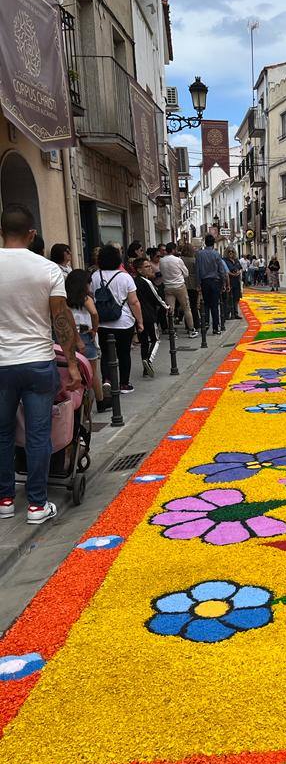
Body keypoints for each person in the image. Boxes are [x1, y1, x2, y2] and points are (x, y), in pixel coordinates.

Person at [0, 205, 80, 525]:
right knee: (37, 434)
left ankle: (5, 499)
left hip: (1, 364)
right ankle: (36, 504)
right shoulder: (47, 269)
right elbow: (61, 320)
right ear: (32, 234)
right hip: (37, 361)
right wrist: (72, 364)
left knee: (2, 434)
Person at [95, 245, 143, 394]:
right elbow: (134, 302)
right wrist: (139, 321)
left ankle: (107, 380)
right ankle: (124, 384)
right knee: (123, 353)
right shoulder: (125, 277)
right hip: (123, 321)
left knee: (106, 353)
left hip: (102, 321)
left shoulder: (95, 276)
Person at [65, 269, 105, 409]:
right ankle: (100, 401)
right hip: (84, 334)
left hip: (66, 336)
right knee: (92, 373)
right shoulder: (85, 298)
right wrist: (94, 329)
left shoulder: (64, 298)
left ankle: (75, 404)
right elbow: (94, 313)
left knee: (71, 372)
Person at [134, 256, 168, 377]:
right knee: (155, 339)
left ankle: (145, 369)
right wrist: (166, 307)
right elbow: (156, 297)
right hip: (149, 315)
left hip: (138, 316)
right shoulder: (146, 282)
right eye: (147, 267)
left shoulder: (134, 282)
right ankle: (148, 360)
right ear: (139, 270)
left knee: (144, 342)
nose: (150, 269)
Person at [158, 241, 197, 337]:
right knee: (187, 308)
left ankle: (172, 331)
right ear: (173, 250)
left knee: (170, 310)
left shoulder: (161, 260)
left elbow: (162, 272)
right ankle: (191, 330)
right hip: (179, 286)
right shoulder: (178, 260)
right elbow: (186, 273)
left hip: (167, 287)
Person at [195, 235, 230, 334]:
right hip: (215, 282)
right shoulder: (216, 254)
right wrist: (223, 283)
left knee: (206, 304)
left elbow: (197, 270)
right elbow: (221, 270)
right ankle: (215, 328)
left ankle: (205, 323)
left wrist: (198, 284)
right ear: (213, 243)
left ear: (205, 242)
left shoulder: (199, 254)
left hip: (204, 282)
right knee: (215, 305)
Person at [180, 243, 201, 331]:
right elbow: (197, 272)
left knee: (186, 305)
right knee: (193, 305)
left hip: (183, 282)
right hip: (193, 282)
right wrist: (198, 284)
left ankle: (187, 324)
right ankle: (195, 323)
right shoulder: (194, 260)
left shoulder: (181, 260)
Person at [224, 248, 242, 319]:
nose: (231, 253)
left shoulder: (236, 260)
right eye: (229, 252)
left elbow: (240, 268)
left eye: (232, 252)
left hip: (236, 281)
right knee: (229, 298)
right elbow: (225, 271)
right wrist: (232, 274)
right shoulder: (225, 260)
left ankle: (235, 313)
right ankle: (228, 314)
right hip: (229, 281)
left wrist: (238, 272)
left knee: (236, 297)